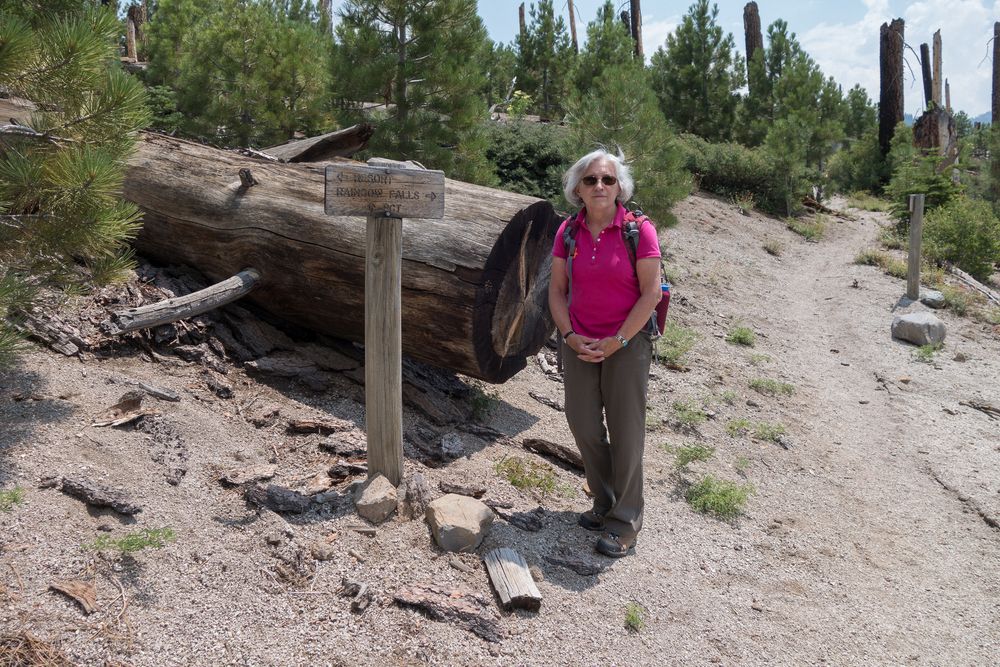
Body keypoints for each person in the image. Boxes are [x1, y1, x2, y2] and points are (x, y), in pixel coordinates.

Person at [548, 149, 662, 558]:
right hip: (579, 341)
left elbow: (651, 292)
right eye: (591, 180)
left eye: (607, 180)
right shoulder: (568, 232)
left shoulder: (639, 231)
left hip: (627, 345)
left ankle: (624, 521)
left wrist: (620, 339)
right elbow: (557, 292)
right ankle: (604, 500)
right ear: (577, 188)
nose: (599, 186)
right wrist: (569, 335)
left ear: (620, 188)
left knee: (626, 431)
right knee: (582, 424)